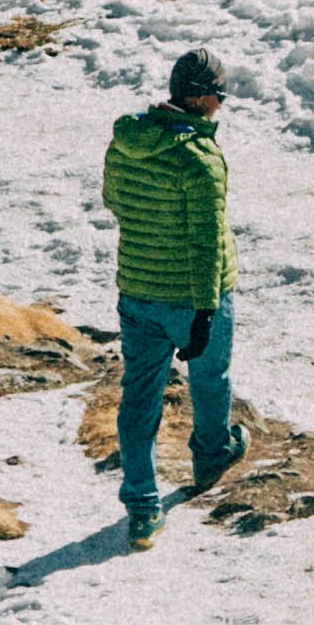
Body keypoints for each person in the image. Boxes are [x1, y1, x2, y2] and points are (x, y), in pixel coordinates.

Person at [98, 49, 236, 548]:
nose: (220, 104)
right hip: (193, 296)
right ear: (199, 97)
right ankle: (211, 453)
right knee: (209, 375)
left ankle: (141, 504)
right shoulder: (199, 161)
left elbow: (113, 200)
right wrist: (204, 312)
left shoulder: (126, 141)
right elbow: (206, 244)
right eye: (218, 95)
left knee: (139, 396)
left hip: (137, 289)